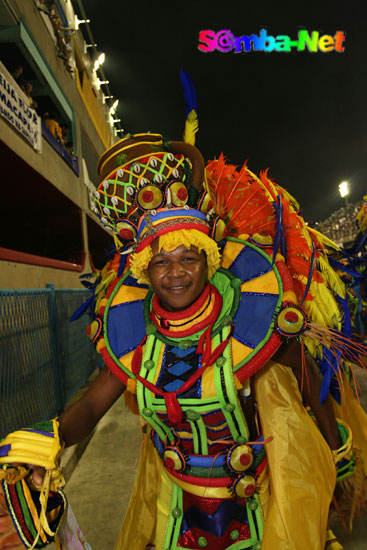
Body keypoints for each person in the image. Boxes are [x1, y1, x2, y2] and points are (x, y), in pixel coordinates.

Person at [1, 132, 367, 550]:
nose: (174, 273)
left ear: (209, 261)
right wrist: (43, 442)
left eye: (187, 259)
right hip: (177, 511)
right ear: (144, 271)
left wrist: (337, 457)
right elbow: (89, 406)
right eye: (160, 262)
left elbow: (309, 379)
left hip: (258, 506)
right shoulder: (136, 339)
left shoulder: (255, 322)